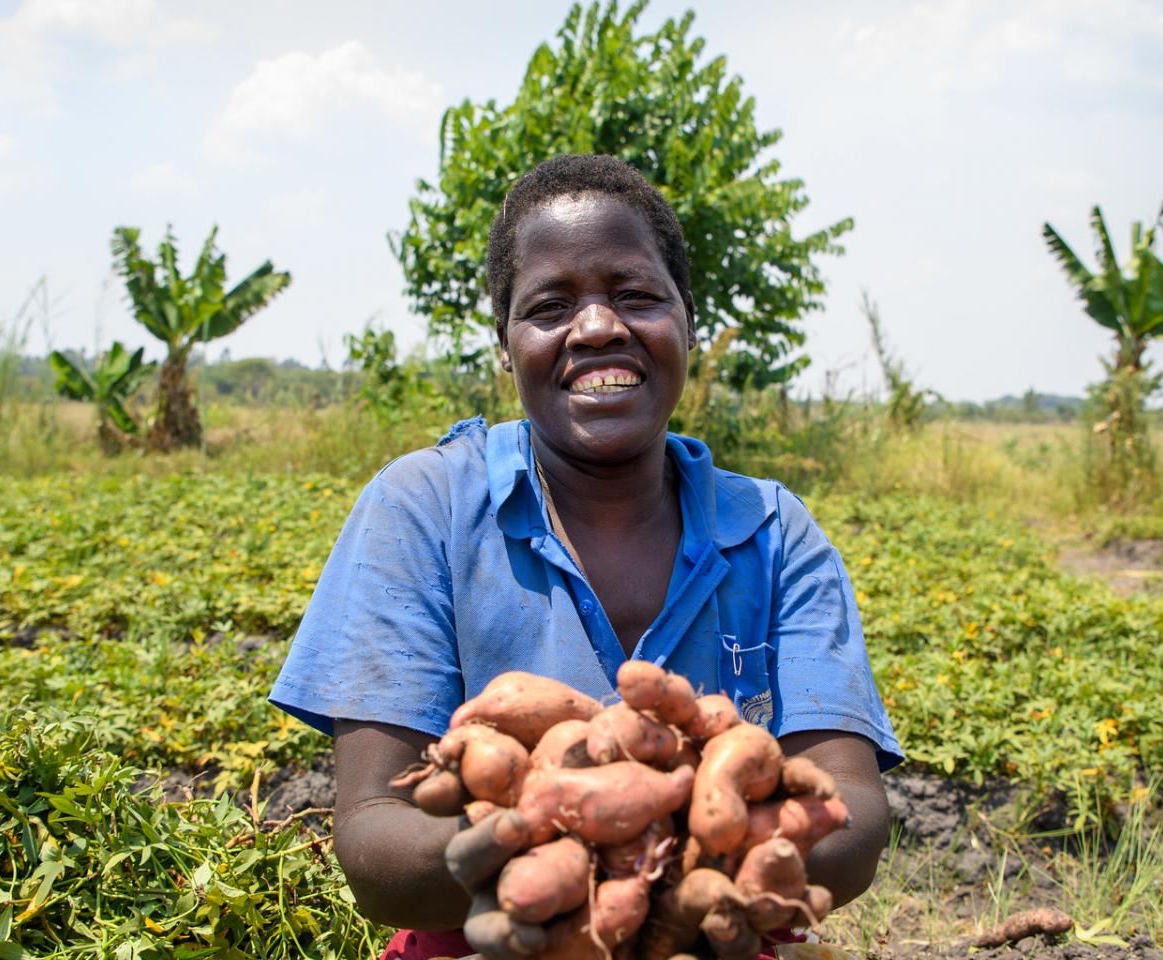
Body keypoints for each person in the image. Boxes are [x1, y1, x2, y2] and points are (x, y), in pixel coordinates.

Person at [269, 154, 902, 957]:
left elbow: (853, 809)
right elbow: (371, 839)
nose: (599, 326)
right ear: (505, 345)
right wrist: (529, 845)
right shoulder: (423, 508)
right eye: (550, 305)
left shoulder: (776, 535)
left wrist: (678, 862)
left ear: (688, 322)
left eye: (636, 295)